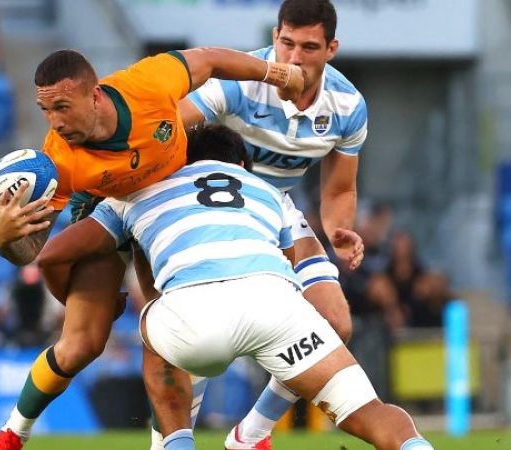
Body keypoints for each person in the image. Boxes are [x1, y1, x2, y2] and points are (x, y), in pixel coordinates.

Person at [0, 45, 304, 449]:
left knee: (168, 330)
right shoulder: (59, 160)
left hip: (170, 202)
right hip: (108, 210)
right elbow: (35, 254)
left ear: (94, 95)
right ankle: (12, 433)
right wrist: (3, 239)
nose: (55, 122)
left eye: (62, 107)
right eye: (45, 111)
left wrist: (277, 73)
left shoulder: (148, 84)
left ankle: (172, 442)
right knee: (81, 345)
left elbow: (210, 60)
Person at [37, 124, 433, 450]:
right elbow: (290, 258)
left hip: (192, 318)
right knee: (371, 411)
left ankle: (177, 444)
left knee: (153, 327)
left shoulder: (144, 188)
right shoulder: (270, 193)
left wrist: (75, 297)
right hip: (277, 308)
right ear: (243, 164)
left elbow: (51, 256)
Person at [175, 1, 366, 448]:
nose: (294, 58)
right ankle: (171, 439)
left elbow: (338, 191)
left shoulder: (347, 106)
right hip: (210, 211)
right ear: (274, 37)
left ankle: (251, 435)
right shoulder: (238, 81)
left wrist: (338, 231)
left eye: (309, 47)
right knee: (196, 338)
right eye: (286, 43)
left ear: (331, 49)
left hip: (276, 208)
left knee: (334, 322)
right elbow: (166, 128)